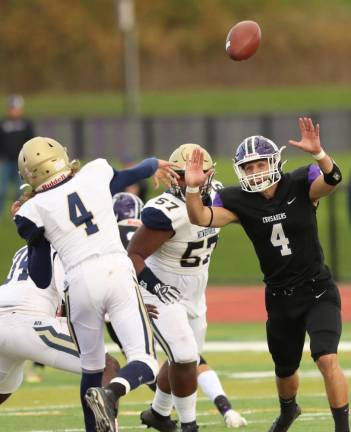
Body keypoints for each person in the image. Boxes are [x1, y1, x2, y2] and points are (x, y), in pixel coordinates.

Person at [184, 118, 349, 432]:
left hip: (317, 289)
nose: (255, 172)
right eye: (248, 167)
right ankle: (289, 411)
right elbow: (201, 217)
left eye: (260, 164)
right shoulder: (238, 200)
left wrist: (319, 154)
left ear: (274, 163)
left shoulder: (300, 183)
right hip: (279, 297)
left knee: (326, 358)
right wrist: (193, 188)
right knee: (285, 371)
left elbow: (333, 178)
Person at [12, 136, 179, 432]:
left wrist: (34, 236)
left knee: (91, 369)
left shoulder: (32, 210)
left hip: (78, 284)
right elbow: (131, 174)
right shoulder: (95, 172)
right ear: (63, 157)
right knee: (146, 361)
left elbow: (41, 278)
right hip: (116, 269)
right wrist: (155, 164)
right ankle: (112, 392)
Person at [127, 144, 247, 431]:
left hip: (195, 289)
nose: (188, 179)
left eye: (197, 173)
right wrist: (155, 286)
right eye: (181, 174)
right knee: (182, 355)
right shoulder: (165, 212)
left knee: (185, 359)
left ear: (210, 174)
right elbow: (132, 256)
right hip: (160, 287)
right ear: (172, 175)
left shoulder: (220, 195)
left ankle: (158, 413)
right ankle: (188, 425)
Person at [0, 245, 119, 407]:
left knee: (2, 391)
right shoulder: (65, 246)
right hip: (28, 322)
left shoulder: (23, 248)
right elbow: (74, 298)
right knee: (107, 366)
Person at [0, 95, 35, 216]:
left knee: (19, 191)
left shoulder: (26, 124)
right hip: (4, 162)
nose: (14, 111)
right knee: (1, 190)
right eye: (12, 108)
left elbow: (31, 141)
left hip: (20, 163)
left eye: (16, 108)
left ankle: (19, 214)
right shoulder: (3, 123)